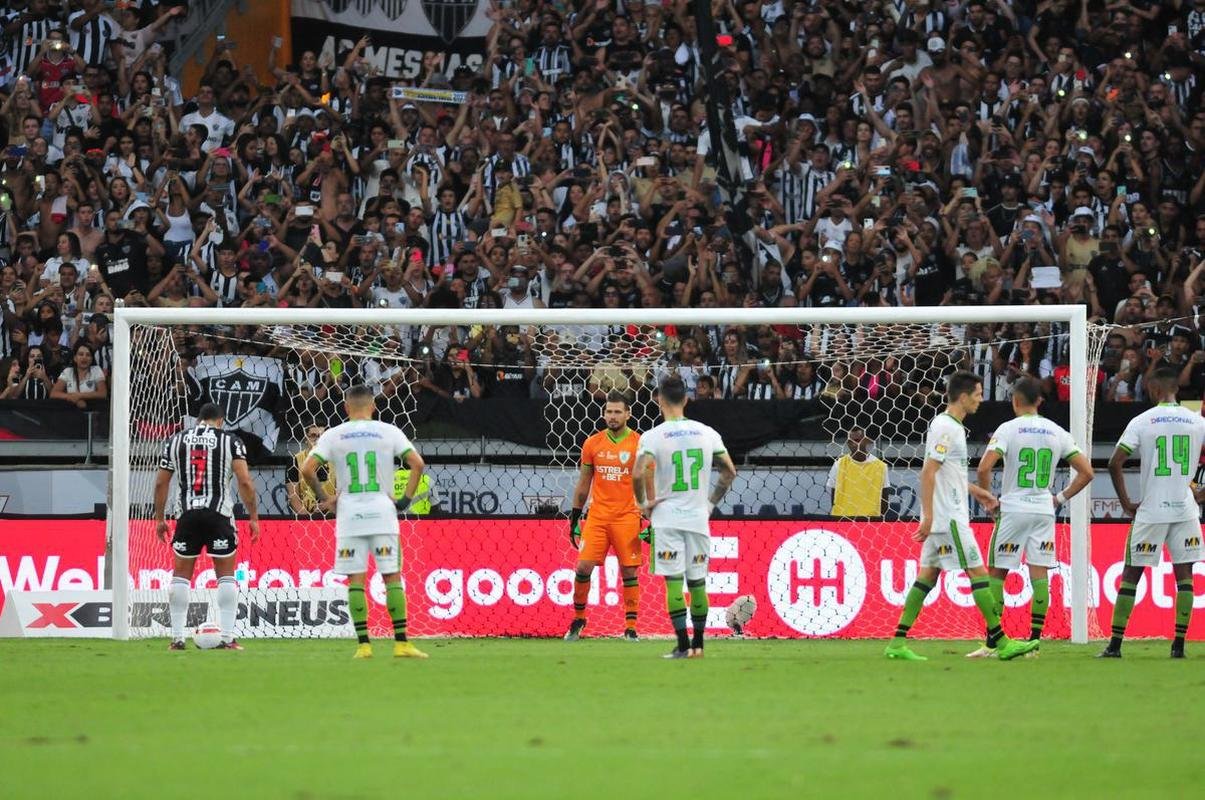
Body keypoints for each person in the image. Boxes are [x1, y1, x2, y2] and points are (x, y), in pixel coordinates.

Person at [883, 371, 1040, 662]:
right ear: (964, 396)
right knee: (979, 573)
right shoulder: (948, 428)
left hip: (945, 514)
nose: (981, 400)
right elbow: (928, 471)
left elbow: (945, 472)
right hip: (948, 518)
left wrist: (975, 491)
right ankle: (1002, 643)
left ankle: (897, 642)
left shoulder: (949, 426)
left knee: (927, 575)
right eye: (978, 394)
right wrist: (928, 517)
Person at [300, 384, 428, 659]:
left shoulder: (334, 434)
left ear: (346, 407)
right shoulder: (388, 431)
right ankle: (402, 643)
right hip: (383, 513)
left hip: (349, 516)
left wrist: (326, 498)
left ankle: (364, 646)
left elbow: (306, 469)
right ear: (373, 406)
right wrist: (405, 500)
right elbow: (418, 463)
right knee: (392, 577)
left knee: (355, 581)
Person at [969, 376, 1094, 657]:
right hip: (1043, 511)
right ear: (1039, 401)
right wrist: (1059, 498)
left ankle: (993, 644)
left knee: (997, 572)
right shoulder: (1057, 432)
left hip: (1013, 510)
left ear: (1014, 401)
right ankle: (1034, 643)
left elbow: (983, 469)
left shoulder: (1008, 429)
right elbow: (1087, 472)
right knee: (1039, 575)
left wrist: (990, 500)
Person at [1101, 367, 1205, 659]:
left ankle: (1115, 645)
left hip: (1151, 509)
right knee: (1185, 575)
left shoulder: (1142, 421)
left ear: (1155, 389)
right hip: (1185, 509)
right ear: (1176, 389)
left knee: (1132, 573)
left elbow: (1114, 462)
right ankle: (1178, 646)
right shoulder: (1197, 421)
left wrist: (1125, 502)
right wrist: (1200, 495)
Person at [633, 376, 737, 658]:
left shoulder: (652, 436)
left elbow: (638, 472)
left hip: (666, 519)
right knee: (698, 582)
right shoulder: (708, 433)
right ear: (687, 400)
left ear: (659, 400)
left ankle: (682, 644)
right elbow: (729, 471)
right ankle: (699, 645)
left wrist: (643, 503)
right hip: (697, 518)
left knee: (674, 582)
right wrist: (711, 504)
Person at [153, 403, 260, 651]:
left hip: (187, 515)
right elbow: (244, 481)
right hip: (218, 514)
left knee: (181, 575)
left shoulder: (174, 441)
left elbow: (161, 484)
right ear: (220, 420)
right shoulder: (231, 441)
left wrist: (160, 518)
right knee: (225, 575)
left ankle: (177, 639)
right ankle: (227, 638)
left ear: (199, 419)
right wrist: (253, 516)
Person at [564, 391, 643, 642]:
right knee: (583, 566)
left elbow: (647, 484)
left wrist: (650, 517)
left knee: (629, 570)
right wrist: (575, 517)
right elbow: (584, 482)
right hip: (597, 516)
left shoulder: (640, 444)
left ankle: (630, 627)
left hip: (628, 516)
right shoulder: (592, 443)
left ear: (628, 414)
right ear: (603, 413)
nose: (612, 416)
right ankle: (579, 619)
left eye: (618, 411)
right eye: (609, 411)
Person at [827, 427, 890, 517]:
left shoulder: (880, 467)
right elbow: (834, 498)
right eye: (849, 441)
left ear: (866, 441)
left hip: (870, 522)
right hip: (842, 521)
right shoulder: (839, 464)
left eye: (857, 440)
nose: (853, 444)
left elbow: (884, 501)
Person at [285, 424, 334, 514]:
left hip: (332, 516)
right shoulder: (294, 461)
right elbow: (293, 496)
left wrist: (329, 504)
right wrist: (307, 517)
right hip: (305, 517)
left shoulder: (336, 460)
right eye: (313, 436)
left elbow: (344, 493)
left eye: (321, 436)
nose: (318, 440)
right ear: (306, 439)